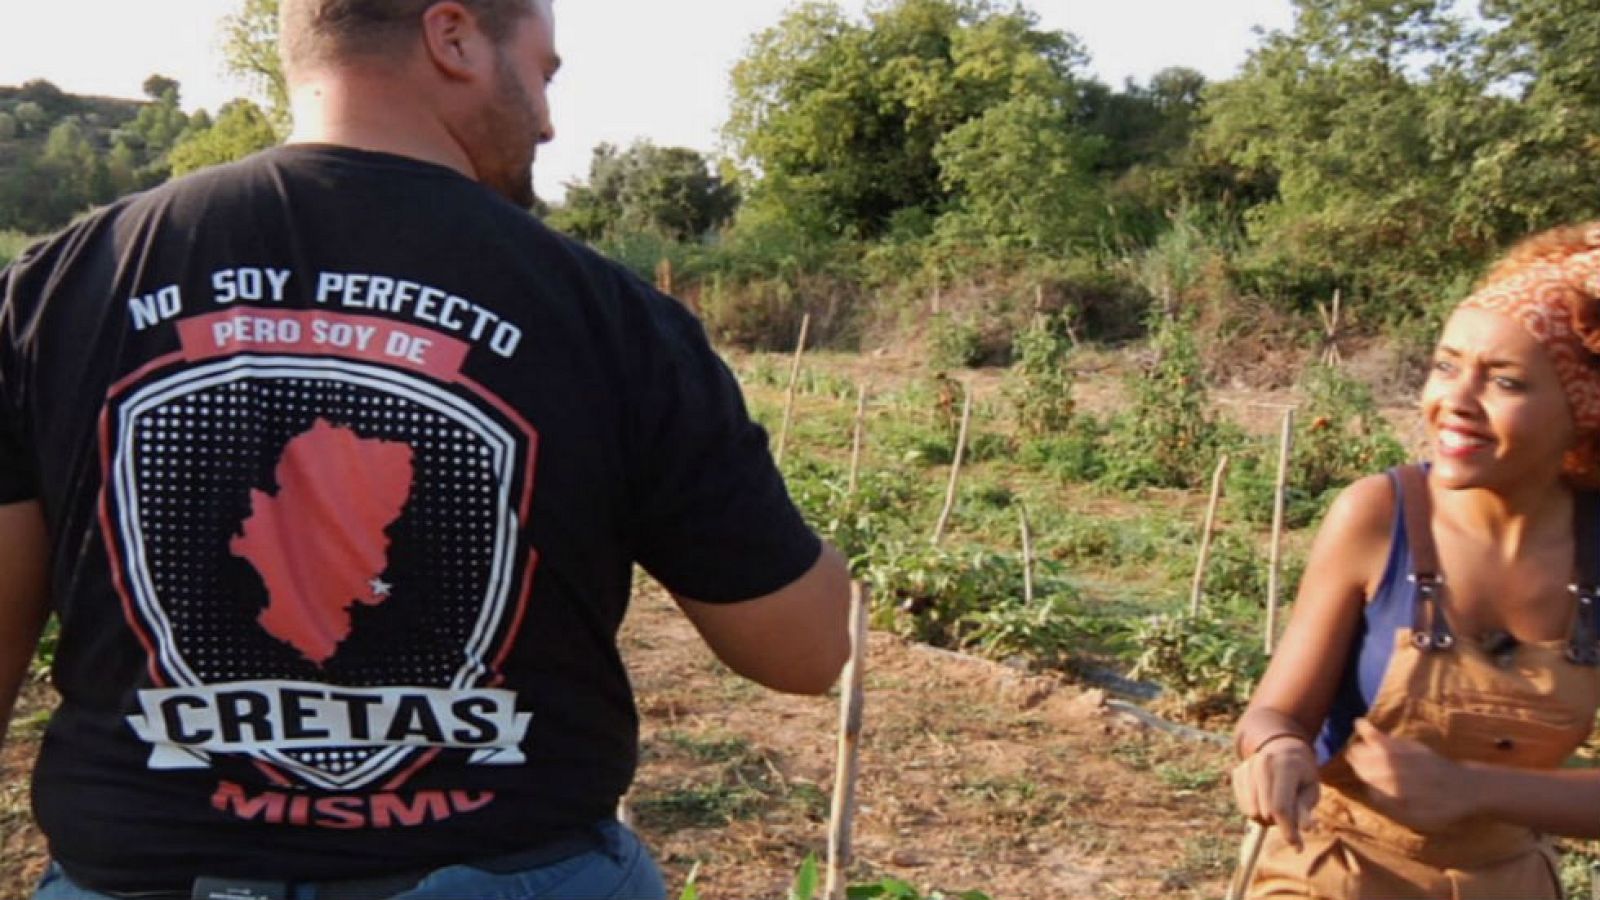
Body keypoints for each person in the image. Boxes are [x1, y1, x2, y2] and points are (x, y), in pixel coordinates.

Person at [0, 0, 853, 897]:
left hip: (139, 872)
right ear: (454, 38)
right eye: (545, 72)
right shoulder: (607, 314)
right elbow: (802, 650)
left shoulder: (59, 288)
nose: (552, 120)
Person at [1231, 221, 1600, 898]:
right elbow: (1276, 713)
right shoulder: (1380, 516)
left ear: (1584, 408)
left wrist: (1473, 789)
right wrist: (1276, 750)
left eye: (1507, 383)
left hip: (1507, 883)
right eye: (1446, 365)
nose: (1454, 402)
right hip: (1338, 872)